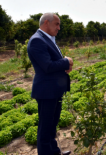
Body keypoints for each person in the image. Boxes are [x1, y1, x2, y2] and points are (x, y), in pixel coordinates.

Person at [27, 13, 72, 155]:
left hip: (53, 90)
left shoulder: (47, 39)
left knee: (52, 126)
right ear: (46, 22)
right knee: (45, 128)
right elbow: (47, 66)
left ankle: (54, 151)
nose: (59, 28)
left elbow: (52, 62)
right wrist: (67, 61)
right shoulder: (37, 40)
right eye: (57, 24)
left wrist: (64, 63)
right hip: (46, 92)